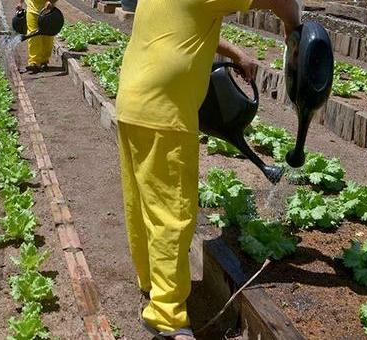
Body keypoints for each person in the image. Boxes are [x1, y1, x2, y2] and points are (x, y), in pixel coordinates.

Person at [115, 0, 301, 339]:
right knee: (173, 212)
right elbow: (283, 1)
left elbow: (188, 22)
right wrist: (293, 30)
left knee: (143, 202)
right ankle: (167, 316)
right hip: (165, 111)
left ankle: (153, 283)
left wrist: (234, 54)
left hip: (132, 101)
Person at [17, 0, 57, 73]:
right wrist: (20, 2)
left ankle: (44, 61)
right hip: (32, 9)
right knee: (33, 34)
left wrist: (52, 2)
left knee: (47, 36)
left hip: (47, 10)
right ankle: (34, 62)